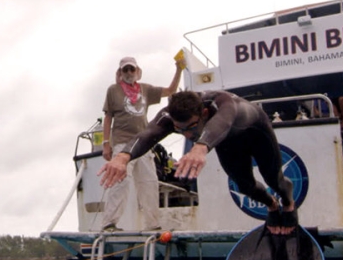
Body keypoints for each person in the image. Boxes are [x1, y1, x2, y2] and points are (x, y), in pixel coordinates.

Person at [98, 90, 297, 235]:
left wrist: (201, 147)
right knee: (245, 186)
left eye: (191, 127)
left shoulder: (223, 103)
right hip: (227, 142)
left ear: (204, 114)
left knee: (274, 180)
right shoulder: (170, 116)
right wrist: (123, 157)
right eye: (179, 130)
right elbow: (148, 134)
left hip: (257, 133)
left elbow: (224, 121)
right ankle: (272, 205)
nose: (187, 135)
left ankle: (288, 203)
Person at [98, 55, 184, 231]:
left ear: (138, 71)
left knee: (149, 183)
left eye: (132, 69)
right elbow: (108, 117)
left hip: (143, 143)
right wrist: (106, 143)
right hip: (122, 143)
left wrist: (179, 69)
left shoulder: (146, 89)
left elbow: (170, 91)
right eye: (125, 69)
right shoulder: (113, 90)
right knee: (120, 181)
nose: (129, 72)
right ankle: (109, 223)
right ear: (120, 72)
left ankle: (153, 225)